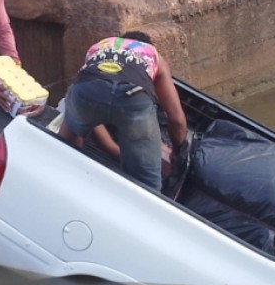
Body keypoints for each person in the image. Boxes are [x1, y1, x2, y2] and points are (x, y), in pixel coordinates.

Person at [58, 32, 188, 191]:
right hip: (134, 97)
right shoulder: (153, 55)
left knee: (64, 152)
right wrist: (178, 153)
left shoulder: (100, 46)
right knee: (148, 187)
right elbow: (176, 119)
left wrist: (116, 150)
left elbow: (91, 117)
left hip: (86, 90)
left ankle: (67, 186)